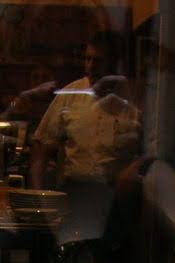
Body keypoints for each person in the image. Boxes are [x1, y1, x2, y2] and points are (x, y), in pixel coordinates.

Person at [30, 31, 142, 249]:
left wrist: (134, 171)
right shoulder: (71, 95)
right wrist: (39, 199)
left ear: (114, 62)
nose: (90, 66)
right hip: (76, 196)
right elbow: (41, 146)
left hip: (118, 201)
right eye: (87, 59)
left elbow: (152, 152)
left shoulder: (133, 98)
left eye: (98, 60)